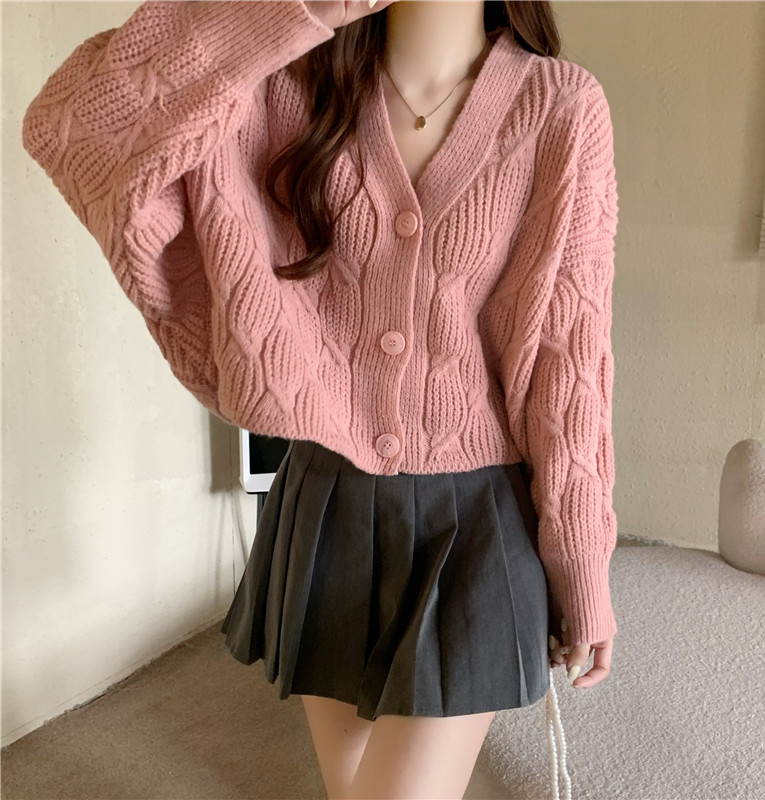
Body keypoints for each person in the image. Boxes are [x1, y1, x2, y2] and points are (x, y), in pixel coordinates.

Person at [21, 1, 619, 797]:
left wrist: (581, 560)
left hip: (475, 522)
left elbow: (568, 356)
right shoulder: (284, 81)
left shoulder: (561, 106)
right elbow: (78, 127)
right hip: (326, 504)